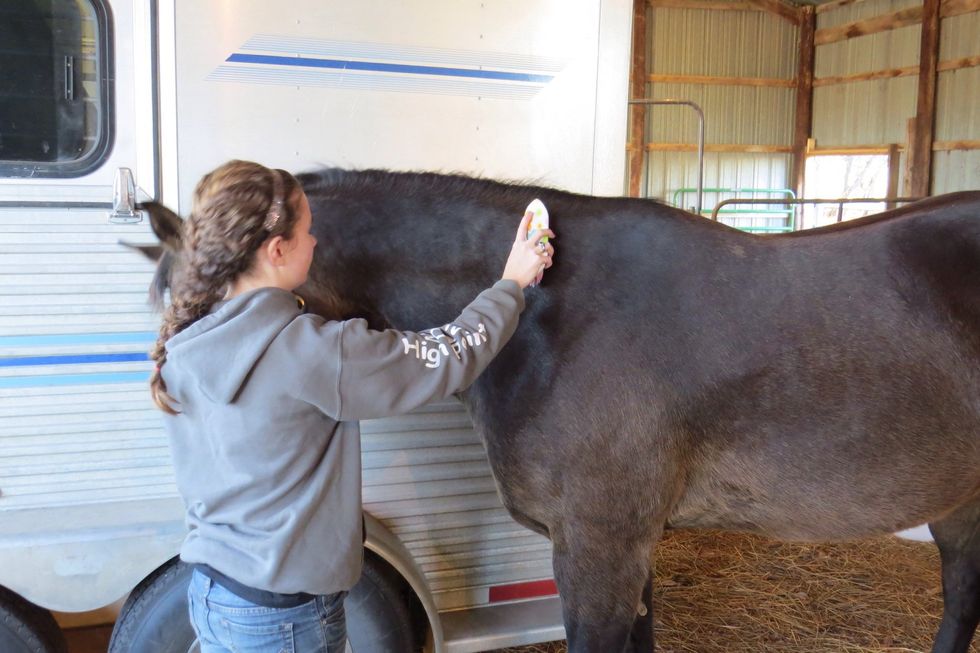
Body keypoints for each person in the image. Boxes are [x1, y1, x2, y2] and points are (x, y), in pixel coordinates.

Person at [147, 159, 556, 653]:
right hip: (286, 618)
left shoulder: (193, 335)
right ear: (277, 250)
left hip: (214, 592)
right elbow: (448, 355)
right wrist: (511, 284)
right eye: (307, 232)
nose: (316, 242)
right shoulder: (308, 350)